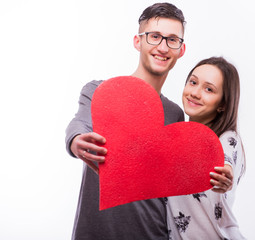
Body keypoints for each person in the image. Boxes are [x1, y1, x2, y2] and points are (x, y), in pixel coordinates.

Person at [65, 3, 186, 239]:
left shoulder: (175, 114)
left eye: (172, 39)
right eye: (154, 36)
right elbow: (79, 124)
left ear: (181, 50)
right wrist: (77, 141)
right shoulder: (99, 91)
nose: (163, 47)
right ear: (137, 41)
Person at [166, 57, 247, 240]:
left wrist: (225, 174)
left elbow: (226, 162)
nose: (195, 93)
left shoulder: (227, 138)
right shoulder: (175, 141)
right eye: (193, 82)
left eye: (209, 89)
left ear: (223, 104)